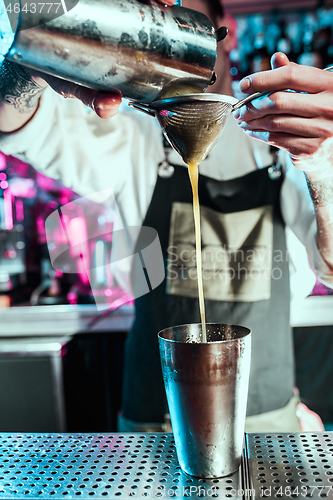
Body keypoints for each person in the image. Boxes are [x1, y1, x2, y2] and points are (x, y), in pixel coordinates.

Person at [1, 0, 333, 432]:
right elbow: (20, 124)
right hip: (156, 427)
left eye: (182, 21)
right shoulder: (133, 136)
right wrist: (24, 65)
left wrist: (324, 167)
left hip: (266, 422)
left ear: (222, 29)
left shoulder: (282, 140)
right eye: (154, 25)